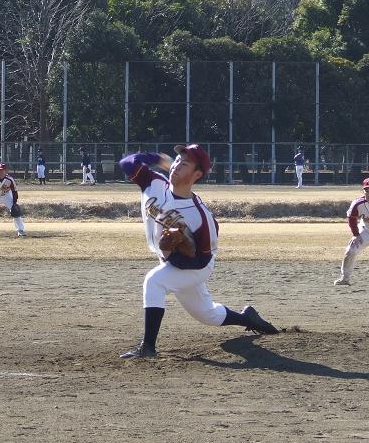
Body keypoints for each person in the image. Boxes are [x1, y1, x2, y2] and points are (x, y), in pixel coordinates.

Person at [118, 144, 279, 360]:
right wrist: (156, 158)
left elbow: (203, 259)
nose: (176, 166)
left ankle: (148, 348)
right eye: (177, 160)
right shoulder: (154, 183)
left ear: (197, 174)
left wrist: (174, 255)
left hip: (197, 266)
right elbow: (126, 163)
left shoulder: (200, 216)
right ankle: (247, 318)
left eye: (184, 164)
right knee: (207, 314)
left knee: (154, 281)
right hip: (172, 262)